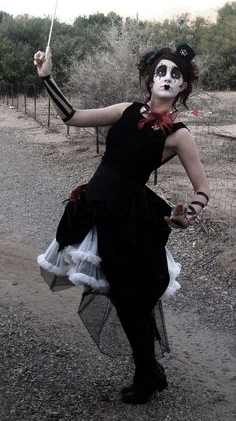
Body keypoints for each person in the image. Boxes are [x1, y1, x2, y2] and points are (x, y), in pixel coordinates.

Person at [34, 43, 209, 404]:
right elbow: (71, 116)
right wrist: (47, 77)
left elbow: (202, 190)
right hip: (96, 210)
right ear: (150, 77)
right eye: (161, 71)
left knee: (132, 301)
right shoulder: (125, 110)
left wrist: (186, 216)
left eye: (175, 75)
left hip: (130, 221)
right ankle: (149, 371)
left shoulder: (178, 133)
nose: (167, 78)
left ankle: (148, 372)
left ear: (182, 88)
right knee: (124, 296)